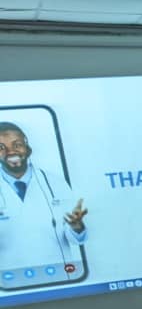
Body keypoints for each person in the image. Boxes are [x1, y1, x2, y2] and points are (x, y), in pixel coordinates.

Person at [0, 121, 88, 282]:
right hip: (10, 278)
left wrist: (77, 227)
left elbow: (75, 239)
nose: (10, 151)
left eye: (17, 144)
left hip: (57, 275)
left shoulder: (55, 183)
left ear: (27, 147)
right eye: (1, 147)